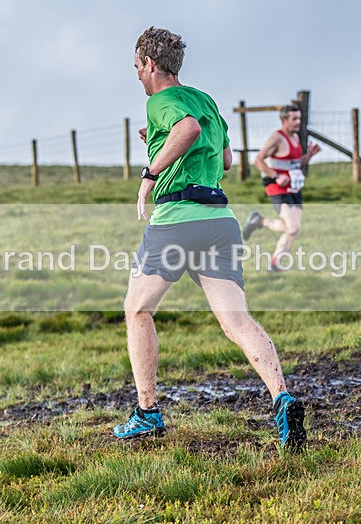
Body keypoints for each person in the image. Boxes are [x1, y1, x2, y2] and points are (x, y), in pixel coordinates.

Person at [114, 26, 306, 451]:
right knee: (236, 320)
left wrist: (149, 174)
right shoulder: (206, 100)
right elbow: (226, 159)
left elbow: (188, 132)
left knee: (137, 310)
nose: (137, 76)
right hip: (221, 220)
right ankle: (282, 398)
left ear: (148, 64)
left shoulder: (160, 100)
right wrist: (160, 144)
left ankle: (147, 413)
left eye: (136, 68)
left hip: (177, 220)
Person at [242, 105, 321, 270]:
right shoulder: (277, 138)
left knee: (294, 229)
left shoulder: (296, 138)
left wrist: (310, 155)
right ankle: (263, 229)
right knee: (292, 227)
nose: (298, 122)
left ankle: (273, 259)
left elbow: (296, 164)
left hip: (294, 187)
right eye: (294, 119)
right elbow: (258, 160)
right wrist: (276, 176)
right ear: (284, 120)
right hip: (277, 187)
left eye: (299, 118)